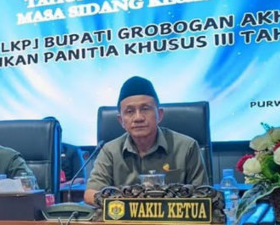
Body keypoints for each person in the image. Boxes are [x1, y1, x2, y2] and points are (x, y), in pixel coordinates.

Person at [84, 76, 208, 205]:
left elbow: (203, 195)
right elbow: (91, 194)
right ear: (121, 121)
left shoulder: (187, 147)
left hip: (175, 217)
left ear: (159, 115)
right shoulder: (110, 151)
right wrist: (131, 207)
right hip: (124, 217)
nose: (138, 118)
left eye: (145, 109)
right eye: (130, 111)